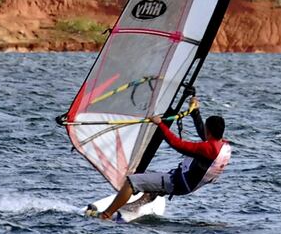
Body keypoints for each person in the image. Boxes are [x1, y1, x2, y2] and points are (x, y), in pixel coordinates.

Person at [97, 90, 231, 220]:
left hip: (177, 182)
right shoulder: (223, 146)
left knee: (132, 182)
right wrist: (195, 113)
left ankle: (106, 215)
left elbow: (176, 144)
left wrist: (160, 124)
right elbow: (204, 135)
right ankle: (132, 207)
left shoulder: (207, 149)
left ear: (209, 130)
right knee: (152, 184)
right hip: (187, 184)